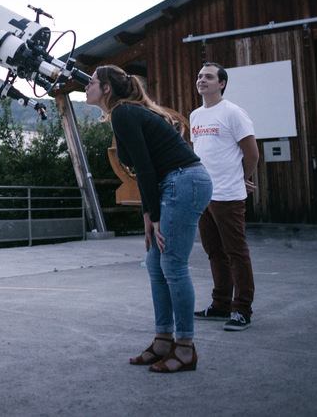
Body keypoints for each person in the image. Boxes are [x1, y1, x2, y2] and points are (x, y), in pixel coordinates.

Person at [85, 65, 213, 373]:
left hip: (184, 182)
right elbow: (147, 169)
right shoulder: (124, 113)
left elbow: (144, 167)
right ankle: (162, 341)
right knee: (156, 264)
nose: (86, 86)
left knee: (172, 264)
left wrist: (154, 215)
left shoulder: (123, 113)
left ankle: (185, 347)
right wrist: (148, 214)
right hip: (174, 183)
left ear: (106, 89)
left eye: (91, 82)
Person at [190, 62, 259, 332]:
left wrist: (241, 178)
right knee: (214, 252)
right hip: (204, 195)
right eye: (199, 76)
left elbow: (251, 152)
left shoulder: (233, 113)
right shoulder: (195, 115)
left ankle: (242, 309)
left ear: (222, 84)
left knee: (236, 253)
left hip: (228, 195)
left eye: (208, 77)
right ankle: (220, 305)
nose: (202, 80)